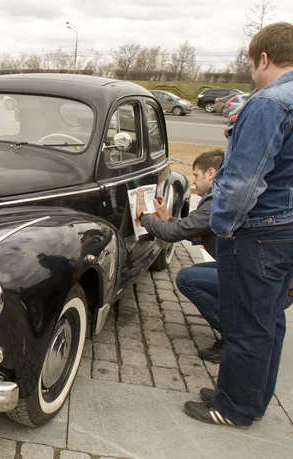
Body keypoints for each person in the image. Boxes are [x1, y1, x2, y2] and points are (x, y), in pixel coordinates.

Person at [184, 22, 293, 429]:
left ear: (263, 58)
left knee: (247, 325)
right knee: (269, 321)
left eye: (252, 64)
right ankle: (251, 397)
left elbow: (243, 179)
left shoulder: (269, 104)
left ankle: (233, 408)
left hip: (262, 230)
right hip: (287, 228)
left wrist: (224, 225)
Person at [135, 150, 224, 362]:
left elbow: (172, 234)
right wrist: (166, 216)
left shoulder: (215, 201)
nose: (193, 181)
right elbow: (189, 227)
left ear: (210, 173)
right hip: (236, 266)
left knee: (187, 279)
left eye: (195, 175)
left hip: (243, 273)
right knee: (196, 273)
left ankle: (233, 334)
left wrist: (143, 216)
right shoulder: (220, 196)